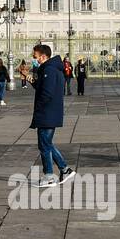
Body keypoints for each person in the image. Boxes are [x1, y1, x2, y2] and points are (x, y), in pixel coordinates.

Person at [30, 44, 74, 188]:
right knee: (46, 143)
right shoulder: (51, 69)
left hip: (47, 113)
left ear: (43, 56)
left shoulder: (48, 69)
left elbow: (47, 93)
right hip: (51, 113)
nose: (34, 59)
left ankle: (49, 176)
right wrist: (30, 79)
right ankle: (65, 170)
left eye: (35, 57)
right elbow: (42, 87)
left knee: (44, 145)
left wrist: (39, 109)